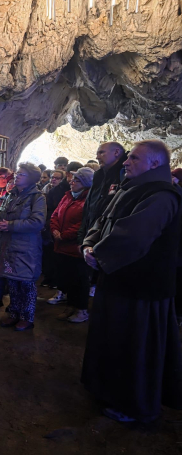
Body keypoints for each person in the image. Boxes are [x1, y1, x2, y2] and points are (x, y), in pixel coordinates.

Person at [81, 140, 182, 423]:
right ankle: (108, 391)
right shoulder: (130, 189)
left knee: (136, 348)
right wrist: (89, 245)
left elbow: (133, 236)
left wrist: (98, 254)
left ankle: (134, 405)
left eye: (134, 158)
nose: (126, 162)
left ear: (154, 164)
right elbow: (102, 220)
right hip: (118, 280)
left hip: (141, 289)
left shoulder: (162, 196)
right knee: (114, 340)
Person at [0, 162, 46, 331]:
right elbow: (0, 212)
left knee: (26, 283)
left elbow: (37, 222)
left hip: (26, 247)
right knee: (12, 281)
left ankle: (27, 317)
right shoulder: (11, 195)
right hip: (8, 245)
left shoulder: (37, 197)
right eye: (17, 173)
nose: (16, 176)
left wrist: (11, 225)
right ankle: (14, 313)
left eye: (21, 174)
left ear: (31, 178)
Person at [78, 142, 126, 298]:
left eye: (101, 152)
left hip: (108, 237)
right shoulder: (99, 175)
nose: (97, 156)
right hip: (92, 234)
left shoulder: (124, 174)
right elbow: (89, 207)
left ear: (116, 152)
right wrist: (83, 235)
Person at [48, 167, 94, 321]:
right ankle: (70, 306)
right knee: (67, 278)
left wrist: (64, 235)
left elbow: (84, 223)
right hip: (61, 245)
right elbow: (55, 214)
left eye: (77, 180)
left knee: (79, 280)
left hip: (75, 247)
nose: (72, 182)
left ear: (86, 183)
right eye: (73, 179)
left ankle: (81, 310)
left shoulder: (89, 199)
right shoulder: (67, 196)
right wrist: (55, 230)